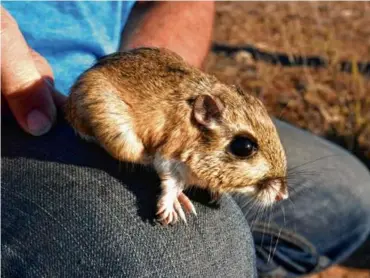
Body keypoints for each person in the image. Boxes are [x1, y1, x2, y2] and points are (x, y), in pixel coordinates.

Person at [1, 2, 370, 277]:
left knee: (350, 198)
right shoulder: (181, 141)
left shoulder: (208, 118)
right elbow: (168, 156)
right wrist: (170, 184)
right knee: (194, 257)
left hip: (121, 59)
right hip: (26, 104)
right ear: (205, 118)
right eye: (243, 148)